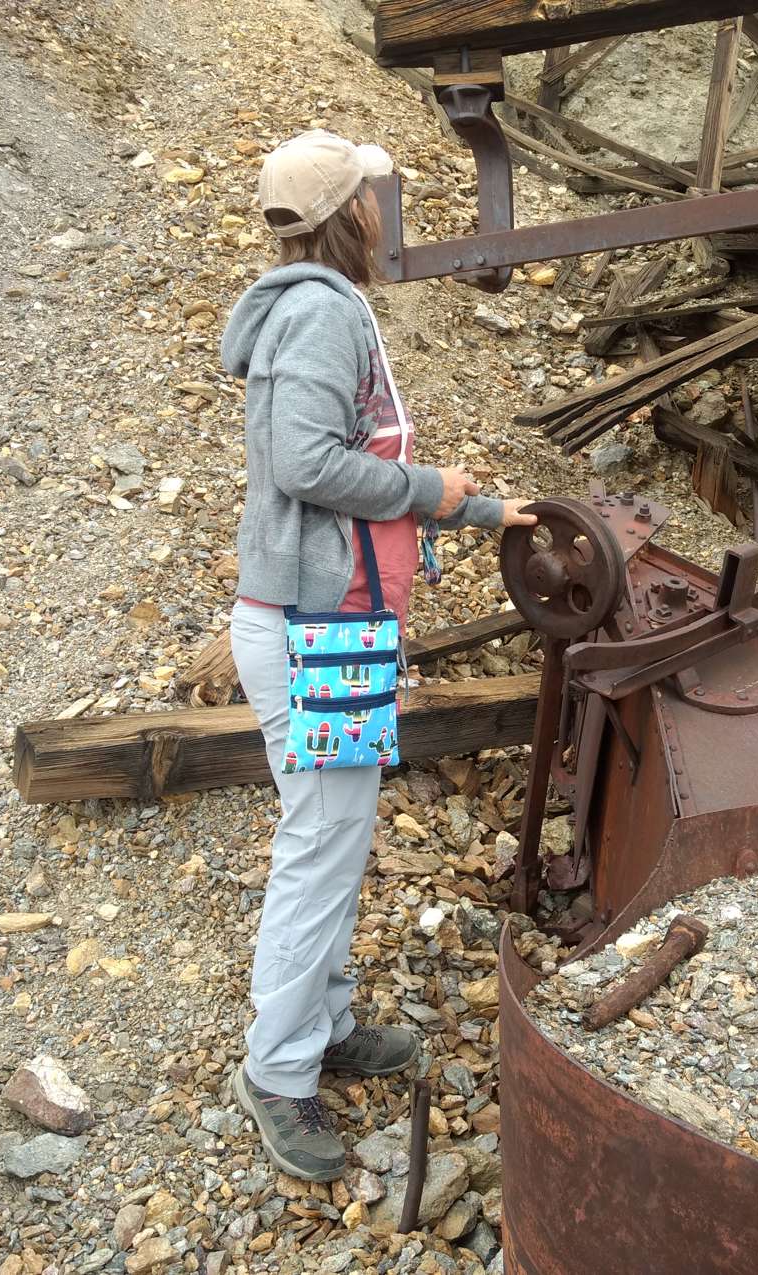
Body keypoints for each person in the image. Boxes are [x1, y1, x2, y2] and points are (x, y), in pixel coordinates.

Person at [219, 130, 537, 1183]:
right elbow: (304, 462)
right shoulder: (320, 311)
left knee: (337, 835)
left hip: (325, 619)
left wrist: (480, 509)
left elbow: (340, 465)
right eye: (375, 194)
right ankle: (277, 1070)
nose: (385, 209)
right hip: (314, 627)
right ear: (349, 212)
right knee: (320, 841)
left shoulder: (312, 303)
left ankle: (322, 1026)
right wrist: (432, 490)